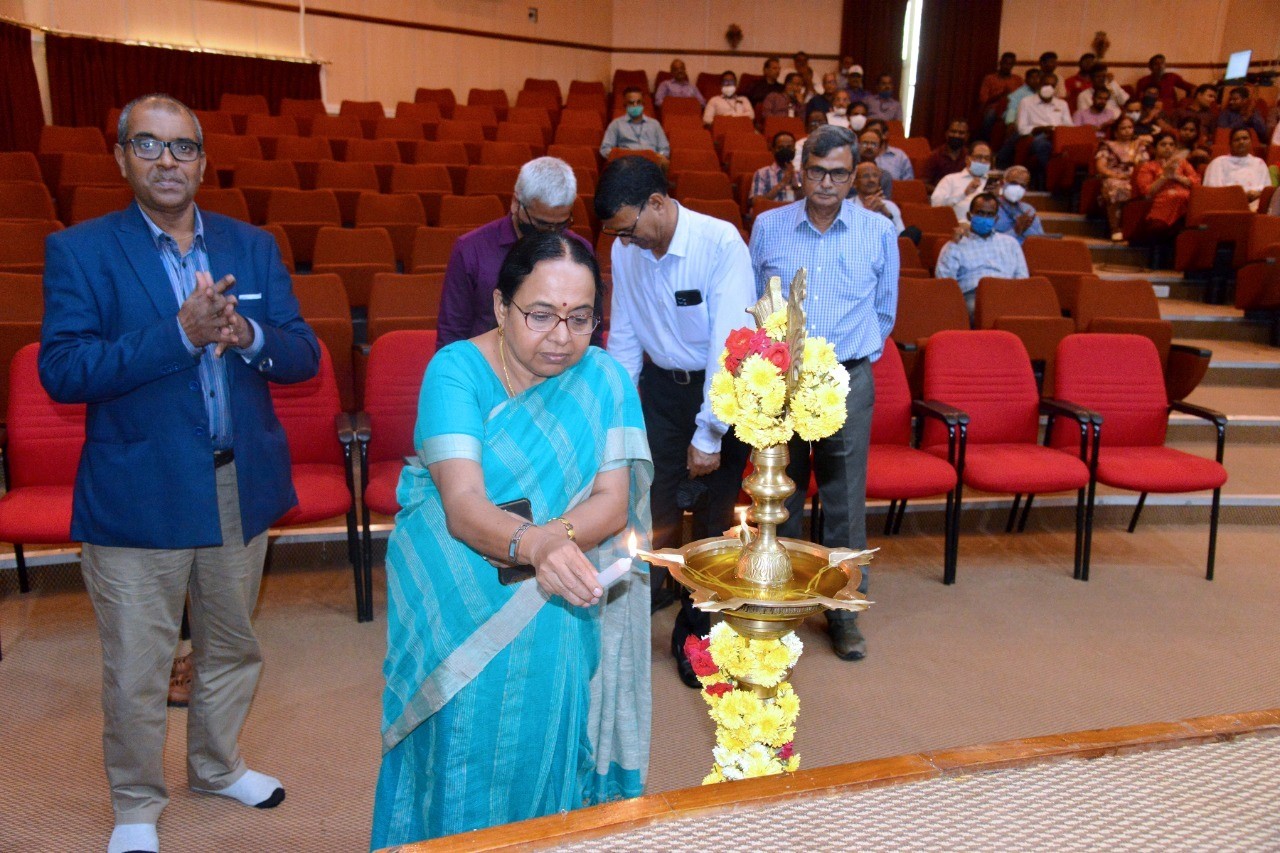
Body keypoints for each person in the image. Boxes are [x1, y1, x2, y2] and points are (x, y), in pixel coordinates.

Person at [39, 93, 320, 853]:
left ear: (203, 158)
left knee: (232, 646)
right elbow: (62, 370)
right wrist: (178, 335)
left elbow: (303, 353)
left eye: (183, 148)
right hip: (139, 491)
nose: (168, 161)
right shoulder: (81, 251)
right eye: (150, 146)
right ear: (122, 156)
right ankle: (135, 803)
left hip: (239, 482)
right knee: (138, 664)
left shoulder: (251, 245)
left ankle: (218, 764)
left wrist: (247, 331)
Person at [370, 232, 653, 845]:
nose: (561, 336)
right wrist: (542, 547)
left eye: (581, 318)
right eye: (541, 314)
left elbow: (614, 499)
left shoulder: (604, 378)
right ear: (501, 307)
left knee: (542, 738)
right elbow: (464, 505)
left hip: (552, 602)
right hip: (457, 591)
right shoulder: (456, 370)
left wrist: (551, 542)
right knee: (461, 750)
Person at [594, 156, 755, 689]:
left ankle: (698, 633)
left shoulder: (720, 244)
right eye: (618, 233)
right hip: (660, 393)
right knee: (653, 505)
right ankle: (654, 598)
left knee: (711, 523)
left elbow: (729, 348)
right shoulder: (626, 250)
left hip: (723, 398)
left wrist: (709, 431)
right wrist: (617, 413)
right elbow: (626, 336)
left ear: (658, 204)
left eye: (629, 227)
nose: (625, 241)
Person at [749, 124, 898, 662]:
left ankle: (841, 610)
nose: (827, 183)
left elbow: (885, 311)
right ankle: (780, 605)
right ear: (801, 172)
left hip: (847, 378)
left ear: (853, 175)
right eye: (817, 171)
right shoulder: (768, 226)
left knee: (842, 500)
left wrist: (848, 363)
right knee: (780, 494)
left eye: (838, 173)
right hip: (781, 376)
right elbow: (754, 299)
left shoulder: (878, 231)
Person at [437, 157, 601, 349]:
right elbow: (452, 330)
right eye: (541, 223)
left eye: (561, 224)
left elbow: (591, 330)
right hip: (487, 369)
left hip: (561, 368)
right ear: (516, 203)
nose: (551, 232)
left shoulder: (580, 251)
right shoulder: (471, 249)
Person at [935, 191, 1029, 316]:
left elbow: (1022, 278)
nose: (985, 218)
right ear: (969, 216)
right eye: (980, 213)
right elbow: (944, 282)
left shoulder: (1010, 243)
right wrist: (954, 244)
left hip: (1007, 294)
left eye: (990, 214)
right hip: (974, 295)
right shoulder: (955, 244)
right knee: (979, 309)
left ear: (996, 219)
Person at [1132, 131, 1201, 239]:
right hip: (1161, 201)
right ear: (1154, 148)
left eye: (1171, 145)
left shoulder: (1182, 163)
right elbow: (1147, 192)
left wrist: (1176, 177)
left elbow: (1196, 182)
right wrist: (1164, 177)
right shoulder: (1147, 167)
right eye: (1163, 144)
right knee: (1174, 197)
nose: (1168, 147)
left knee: (1183, 197)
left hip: (1185, 201)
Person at [1095, 114, 1150, 242]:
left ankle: (1135, 230)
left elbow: (1145, 166)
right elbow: (1101, 167)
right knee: (1115, 187)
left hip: (1135, 176)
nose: (1127, 131)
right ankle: (1116, 229)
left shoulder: (1139, 146)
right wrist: (1118, 176)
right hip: (1114, 176)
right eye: (1123, 128)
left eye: (1130, 127)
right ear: (1116, 131)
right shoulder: (1107, 145)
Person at [1015, 72, 1072, 184]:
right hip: (1037, 136)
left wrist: (1058, 132)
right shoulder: (1026, 102)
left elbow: (1070, 126)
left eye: (1052, 86)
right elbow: (1021, 128)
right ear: (1039, 84)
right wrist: (1041, 129)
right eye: (1046, 84)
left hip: (1058, 136)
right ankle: (1051, 177)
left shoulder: (1062, 104)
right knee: (1043, 146)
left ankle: (1064, 181)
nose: (1049, 88)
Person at [1204, 128, 1272, 210]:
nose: (1241, 142)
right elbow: (1212, 192)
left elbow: (1267, 191)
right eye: (1237, 140)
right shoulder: (1218, 163)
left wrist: (1257, 194)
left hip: (1256, 205)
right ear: (1230, 144)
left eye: (1245, 138)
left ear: (1251, 142)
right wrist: (1241, 196)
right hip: (1226, 206)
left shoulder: (1259, 163)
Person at [600, 88, 670, 161]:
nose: (635, 105)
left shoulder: (655, 124)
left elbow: (664, 149)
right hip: (626, 163)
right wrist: (619, 157)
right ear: (625, 105)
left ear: (643, 104)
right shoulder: (616, 124)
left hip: (651, 163)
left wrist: (659, 157)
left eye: (638, 102)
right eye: (631, 102)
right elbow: (605, 149)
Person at [931, 140, 997, 218]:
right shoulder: (950, 179)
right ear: (967, 159)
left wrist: (999, 198)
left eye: (987, 158)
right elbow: (936, 207)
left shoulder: (993, 183)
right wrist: (964, 194)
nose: (983, 161)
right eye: (979, 157)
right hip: (955, 227)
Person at [997, 67, 1042, 167]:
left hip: (1037, 123)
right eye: (1032, 78)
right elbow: (1012, 108)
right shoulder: (1019, 93)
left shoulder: (1042, 92)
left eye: (1038, 78)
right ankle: (1001, 159)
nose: (1035, 80)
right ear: (1026, 80)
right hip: (1020, 120)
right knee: (1019, 133)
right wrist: (1010, 122)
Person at [992, 165, 1045, 244]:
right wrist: (1015, 231)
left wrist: (1027, 228)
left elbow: (1040, 239)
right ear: (1003, 183)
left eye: (1022, 185)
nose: (1018, 188)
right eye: (1014, 183)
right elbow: (989, 243)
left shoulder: (1028, 209)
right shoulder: (991, 207)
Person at [852, 161, 906, 235]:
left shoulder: (890, 206)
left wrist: (886, 213)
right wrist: (867, 212)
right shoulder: (845, 206)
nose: (871, 180)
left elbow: (900, 236)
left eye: (875, 176)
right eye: (865, 176)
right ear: (854, 183)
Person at [979, 51, 1023, 140]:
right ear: (1000, 63)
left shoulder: (1018, 79)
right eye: (1005, 63)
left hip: (1012, 108)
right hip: (994, 107)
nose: (1007, 66)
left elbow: (1023, 98)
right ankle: (984, 143)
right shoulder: (990, 78)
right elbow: (983, 99)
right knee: (989, 116)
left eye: (1010, 64)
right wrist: (1000, 95)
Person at [751, 131, 800, 210]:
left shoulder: (801, 174)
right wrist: (782, 184)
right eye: (780, 148)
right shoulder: (762, 173)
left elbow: (808, 203)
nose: (785, 151)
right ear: (773, 150)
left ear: (794, 149)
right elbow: (756, 202)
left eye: (789, 147)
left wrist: (796, 185)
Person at [923, 119, 971, 188]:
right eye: (953, 131)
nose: (956, 135)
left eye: (961, 133)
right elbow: (924, 184)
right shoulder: (935, 156)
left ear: (967, 136)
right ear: (946, 133)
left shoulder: (970, 156)